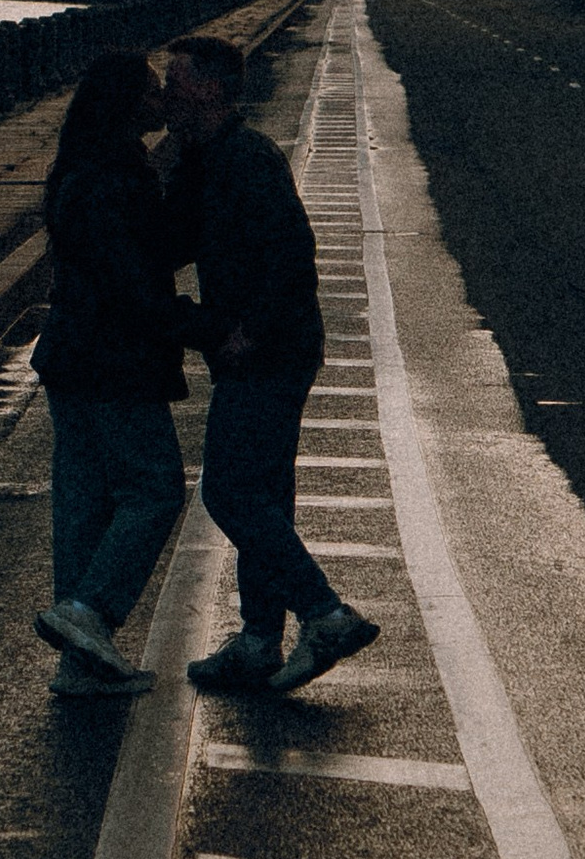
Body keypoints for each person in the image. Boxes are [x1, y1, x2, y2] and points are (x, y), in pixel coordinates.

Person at [160, 34, 380, 697]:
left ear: (209, 88)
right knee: (265, 497)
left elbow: (291, 253)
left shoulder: (248, 158)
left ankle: (325, 614)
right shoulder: (206, 158)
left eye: (175, 82)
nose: (165, 94)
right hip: (262, 347)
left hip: (269, 350)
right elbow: (172, 240)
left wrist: (249, 331)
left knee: (229, 493)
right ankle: (259, 639)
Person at [30, 49, 190, 699]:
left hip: (70, 355)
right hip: (113, 360)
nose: (160, 99)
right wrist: (194, 325)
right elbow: (133, 280)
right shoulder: (115, 177)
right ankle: (89, 611)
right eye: (151, 91)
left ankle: (80, 664)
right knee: (155, 490)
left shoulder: (83, 165)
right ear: (125, 104)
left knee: (84, 504)